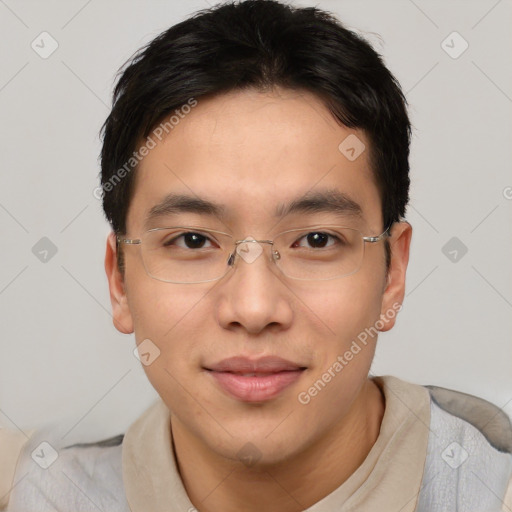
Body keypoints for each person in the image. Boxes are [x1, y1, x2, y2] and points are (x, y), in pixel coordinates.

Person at [1, 1, 511, 510]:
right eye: (193, 241)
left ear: (393, 274)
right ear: (120, 281)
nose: (253, 308)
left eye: (316, 240)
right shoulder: (41, 495)